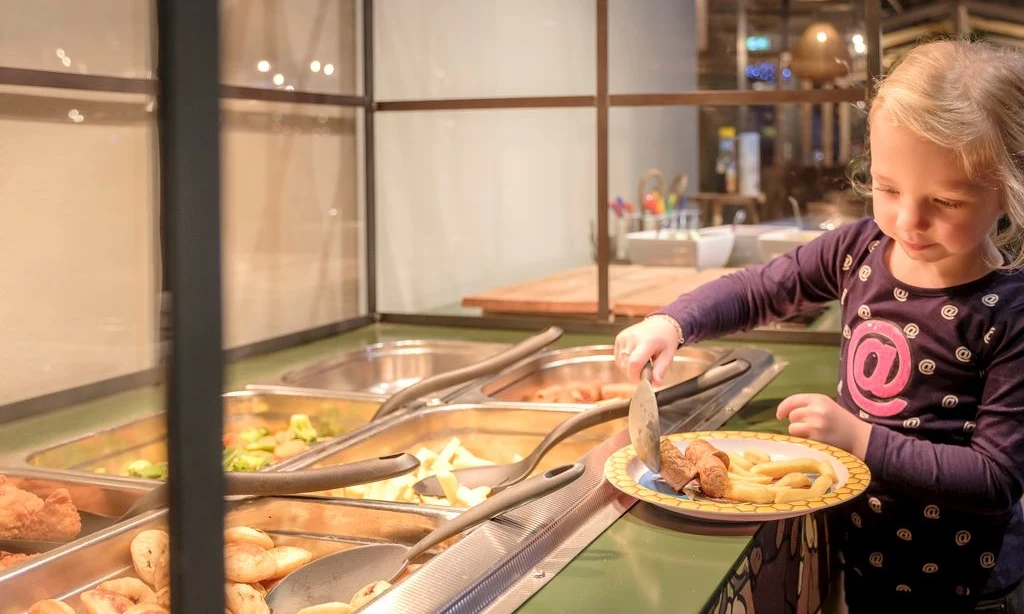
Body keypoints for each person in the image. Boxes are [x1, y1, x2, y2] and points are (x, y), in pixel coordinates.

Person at [614, 39, 1024, 613]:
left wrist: (860, 439)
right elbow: (761, 288)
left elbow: (995, 477)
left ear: (1008, 188)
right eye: (888, 188)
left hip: (967, 586)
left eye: (947, 201)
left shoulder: (1009, 312)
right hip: (861, 556)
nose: (909, 220)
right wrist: (674, 322)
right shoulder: (859, 249)